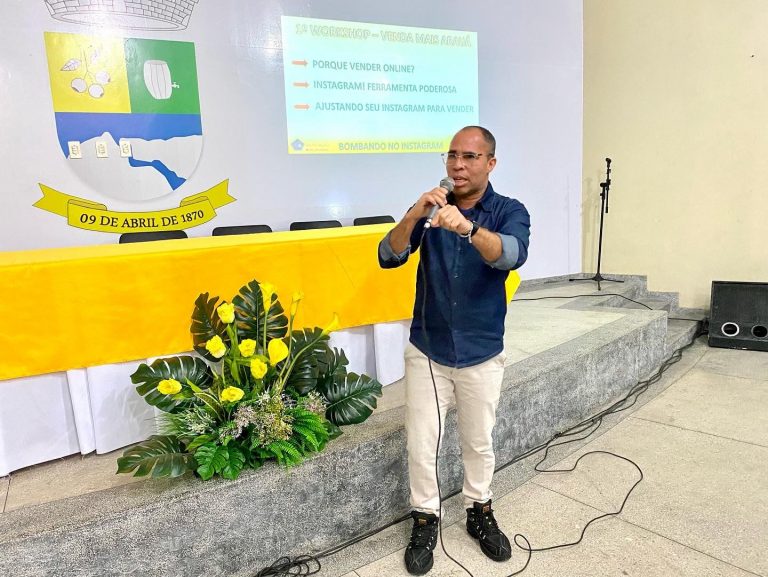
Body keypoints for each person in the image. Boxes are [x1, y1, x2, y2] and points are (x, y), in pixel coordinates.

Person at [378, 126, 531, 575]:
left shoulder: (508, 210)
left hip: (481, 348)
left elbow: (510, 255)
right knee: (422, 443)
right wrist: (415, 213)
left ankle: (478, 511)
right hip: (428, 348)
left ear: (490, 163)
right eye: (452, 156)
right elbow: (388, 255)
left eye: (469, 157)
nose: (458, 165)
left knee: (478, 442)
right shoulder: (430, 208)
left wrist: (468, 228)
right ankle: (425, 518)